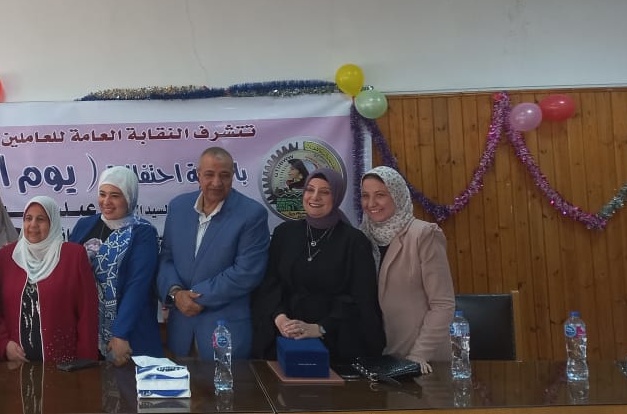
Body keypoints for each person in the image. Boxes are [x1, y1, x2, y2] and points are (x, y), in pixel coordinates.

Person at [251, 168, 385, 362]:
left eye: (325, 192)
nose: (315, 197)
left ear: (336, 197)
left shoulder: (354, 241)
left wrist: (320, 328)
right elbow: (269, 284)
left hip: (335, 344)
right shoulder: (285, 233)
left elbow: (361, 299)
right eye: (310, 189)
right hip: (284, 339)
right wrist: (280, 319)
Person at [158, 147, 270, 361]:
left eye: (224, 175)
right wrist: (176, 294)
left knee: (227, 385)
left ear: (233, 176)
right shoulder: (178, 207)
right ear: (198, 175)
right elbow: (166, 258)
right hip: (180, 332)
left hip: (226, 333)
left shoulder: (252, 214)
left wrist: (194, 297)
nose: (216, 182)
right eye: (209, 174)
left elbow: (247, 272)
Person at [360, 166, 454, 372]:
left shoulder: (424, 235)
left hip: (422, 360)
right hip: (378, 357)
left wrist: (418, 356)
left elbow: (442, 304)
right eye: (365, 196)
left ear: (397, 195)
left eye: (380, 195)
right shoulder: (362, 237)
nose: (371, 203)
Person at [71, 166, 163, 364]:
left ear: (129, 198)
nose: (106, 202)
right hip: (87, 326)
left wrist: (120, 333)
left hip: (130, 330)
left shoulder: (142, 232)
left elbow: (137, 285)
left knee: (127, 382)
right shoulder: (84, 225)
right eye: (102, 194)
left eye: (115, 196)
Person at [0, 196, 98, 363]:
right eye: (28, 218)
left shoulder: (73, 256)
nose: (33, 224)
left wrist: (85, 363)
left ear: (52, 223)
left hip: (63, 365)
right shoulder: (7, 256)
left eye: (41, 219)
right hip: (15, 364)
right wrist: (3, 344)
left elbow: (87, 314)